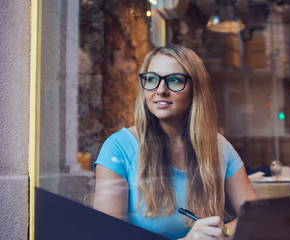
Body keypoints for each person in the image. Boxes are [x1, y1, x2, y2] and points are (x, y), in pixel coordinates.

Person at [93, 44, 258, 239]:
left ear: (196, 89)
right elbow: (104, 236)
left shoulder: (219, 146)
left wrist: (221, 233)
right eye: (152, 79)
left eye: (175, 80)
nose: (161, 90)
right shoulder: (118, 148)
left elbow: (256, 219)